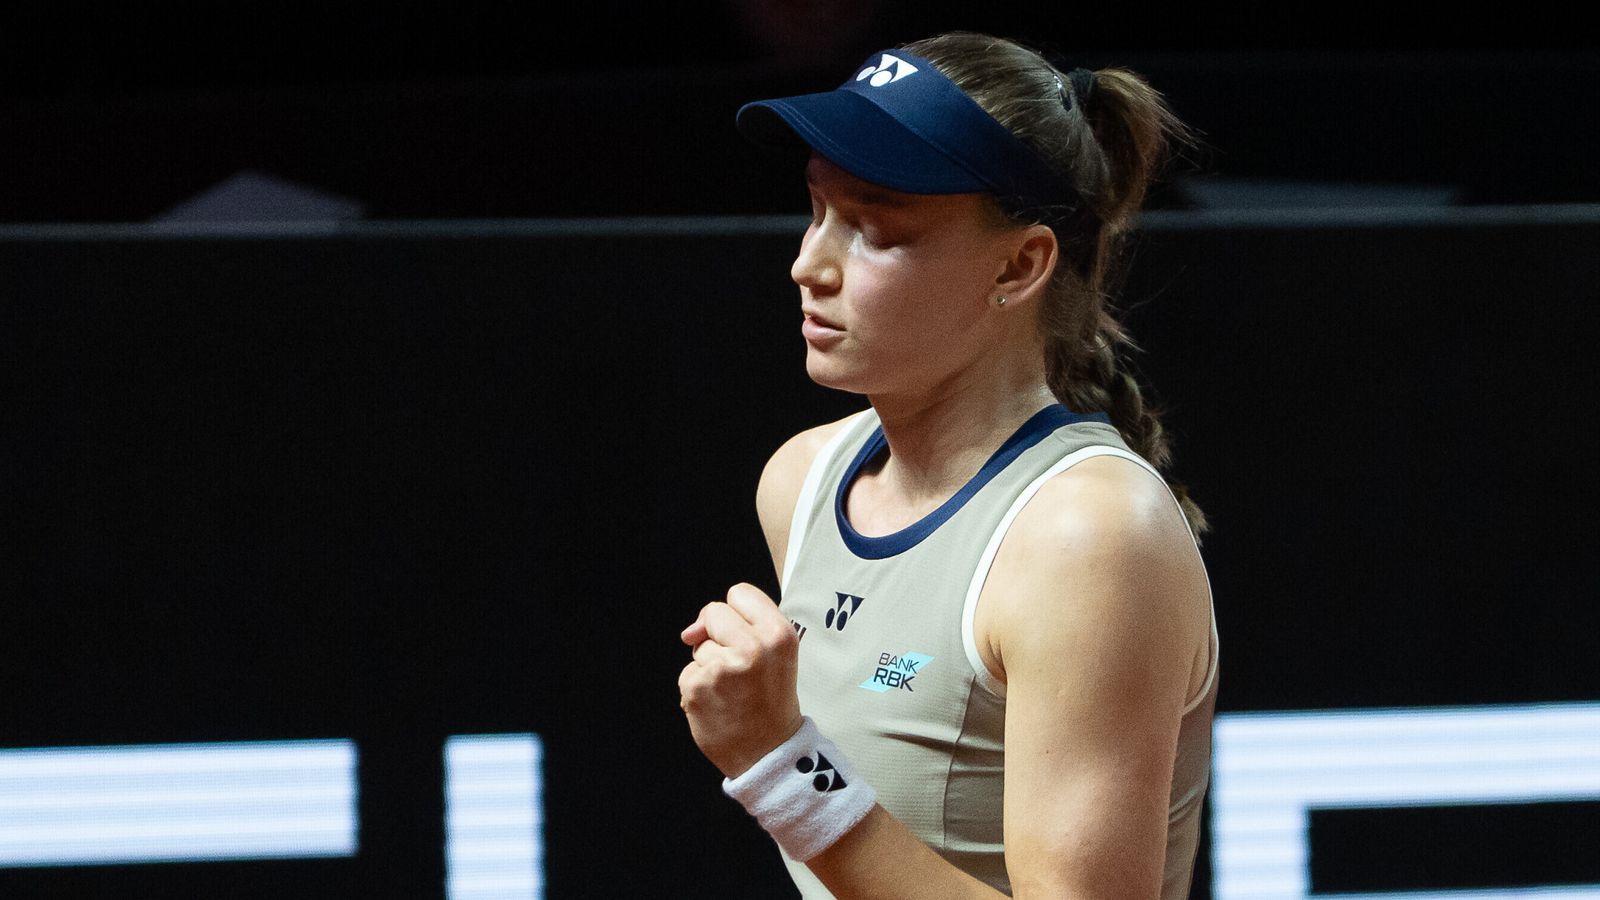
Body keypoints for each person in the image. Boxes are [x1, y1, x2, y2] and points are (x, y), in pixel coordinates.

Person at [678, 30, 1218, 899]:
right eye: (817, 211)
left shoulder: (1090, 538)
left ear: (1019, 263)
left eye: (873, 229)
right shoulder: (803, 481)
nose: (808, 265)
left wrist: (783, 766)